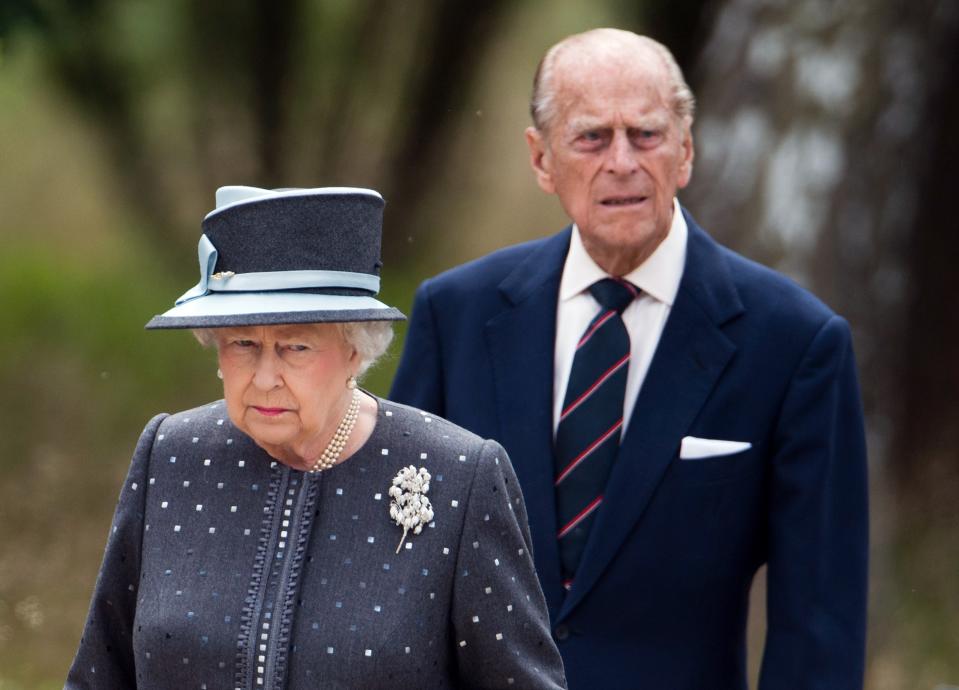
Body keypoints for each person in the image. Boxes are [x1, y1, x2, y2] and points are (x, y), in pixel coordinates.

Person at [390, 28, 868, 689]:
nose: (621, 162)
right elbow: (400, 566)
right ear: (540, 158)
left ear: (685, 150)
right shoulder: (455, 316)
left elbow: (818, 622)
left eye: (645, 135)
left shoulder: (793, 343)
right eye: (591, 137)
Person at [66, 186, 567, 689]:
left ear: (356, 349)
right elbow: (99, 675)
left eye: (295, 346)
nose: (264, 378)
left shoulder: (460, 475)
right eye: (242, 343)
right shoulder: (170, 455)